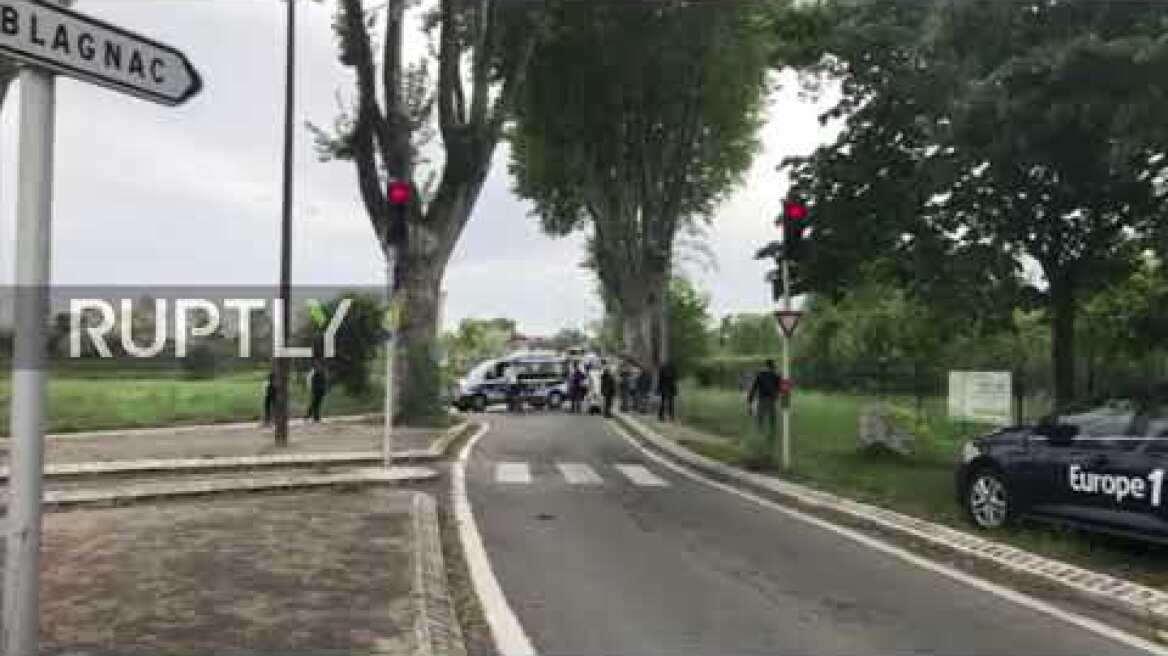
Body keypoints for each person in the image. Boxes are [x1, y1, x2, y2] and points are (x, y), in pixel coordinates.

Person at [747, 359, 783, 442]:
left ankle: (760, 432)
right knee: (772, 417)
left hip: (762, 398)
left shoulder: (760, 375)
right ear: (772, 366)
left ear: (766, 366)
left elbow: (754, 388)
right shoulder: (776, 376)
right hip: (771, 399)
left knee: (761, 417)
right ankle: (772, 433)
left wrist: (750, 400)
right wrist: (777, 395)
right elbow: (780, 388)